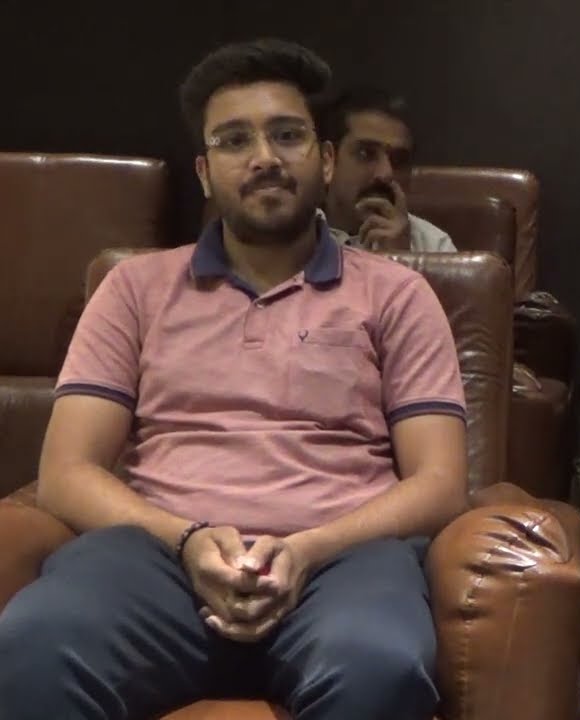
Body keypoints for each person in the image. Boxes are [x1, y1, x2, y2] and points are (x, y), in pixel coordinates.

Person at [0, 38, 468, 719]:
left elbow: (441, 481)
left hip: (341, 562)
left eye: (287, 135)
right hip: (156, 559)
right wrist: (187, 539)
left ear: (325, 158)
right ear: (204, 171)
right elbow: (67, 471)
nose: (265, 157)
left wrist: (308, 549)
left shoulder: (397, 295)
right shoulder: (134, 288)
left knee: (380, 665)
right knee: (35, 645)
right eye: (234, 140)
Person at [318, 84, 456, 252]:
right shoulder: (293, 237)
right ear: (327, 160)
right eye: (366, 153)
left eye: (399, 159)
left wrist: (401, 256)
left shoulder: (433, 245)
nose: (386, 173)